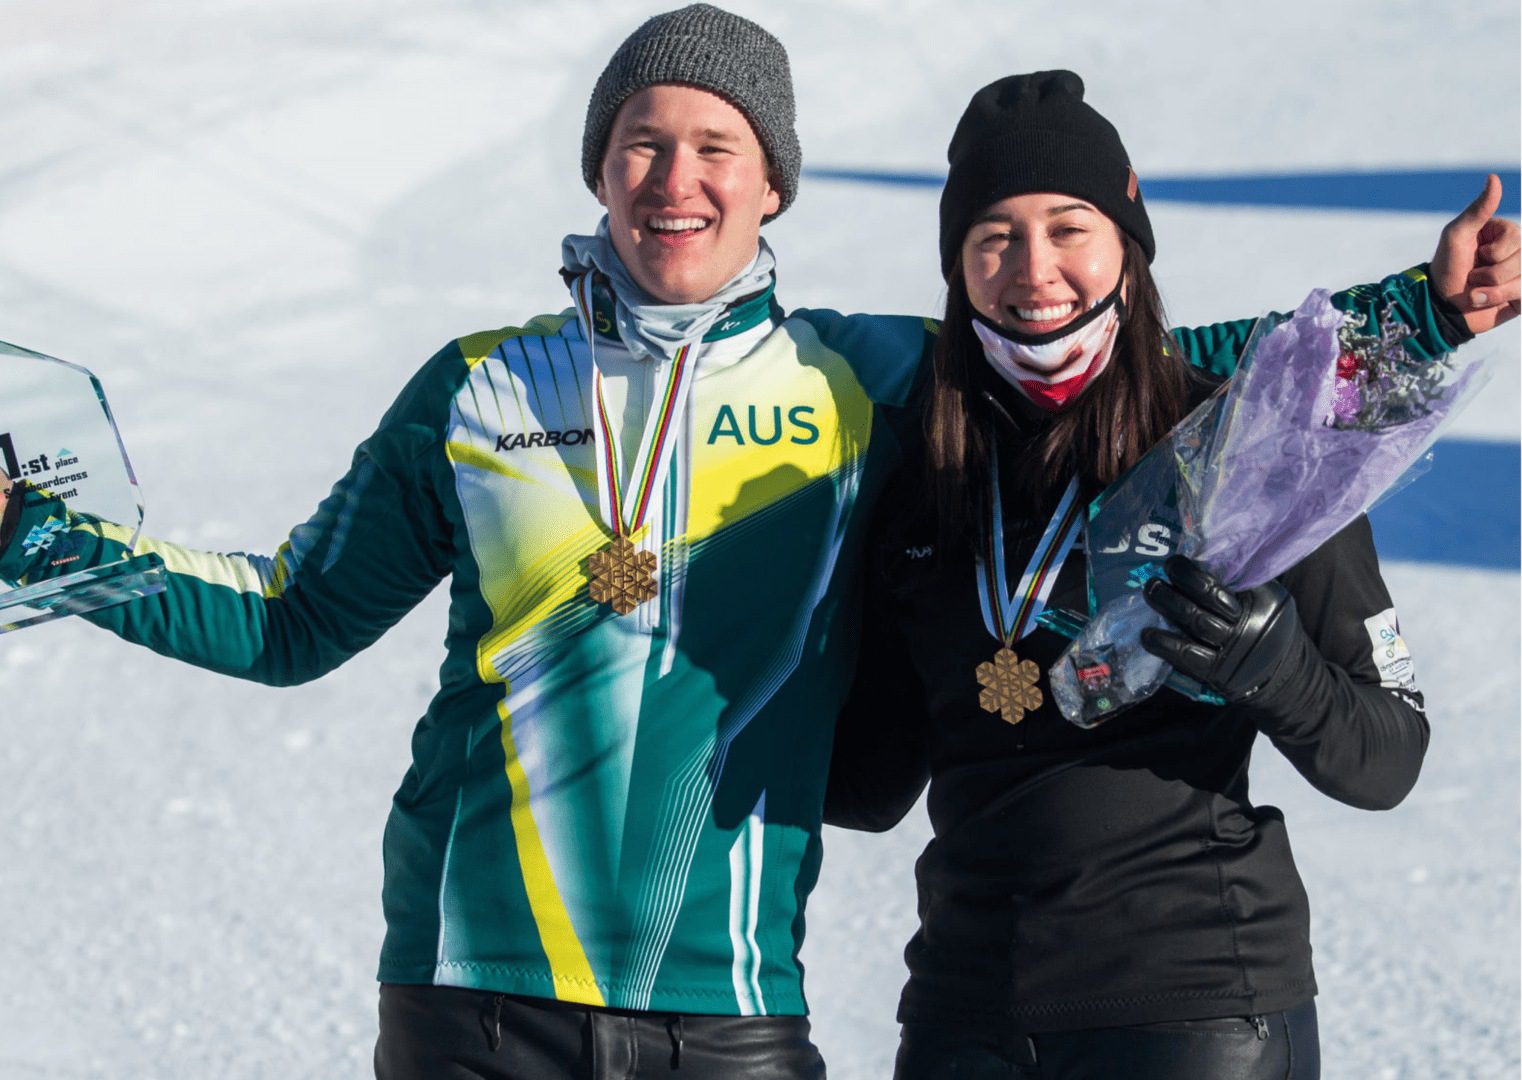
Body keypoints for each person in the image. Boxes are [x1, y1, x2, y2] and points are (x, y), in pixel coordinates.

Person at [0, 16, 1514, 1078]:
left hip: (727, 1014)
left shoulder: (858, 379)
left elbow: (1139, 361)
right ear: (599, 170)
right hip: (472, 998)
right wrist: (41, 539)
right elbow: (287, 618)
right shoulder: (473, 388)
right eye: (641, 143)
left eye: (716, 144)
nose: (677, 178)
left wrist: (1414, 316)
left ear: (771, 181)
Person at [822, 71, 1519, 1080]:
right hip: (962, 1019)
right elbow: (871, 780)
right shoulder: (921, 478)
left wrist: (1276, 666)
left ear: (1126, 245)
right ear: (956, 265)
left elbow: (1388, 755)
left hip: (1192, 1012)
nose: (1033, 268)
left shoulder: (1243, 447)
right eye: (994, 236)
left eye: (1069, 227)